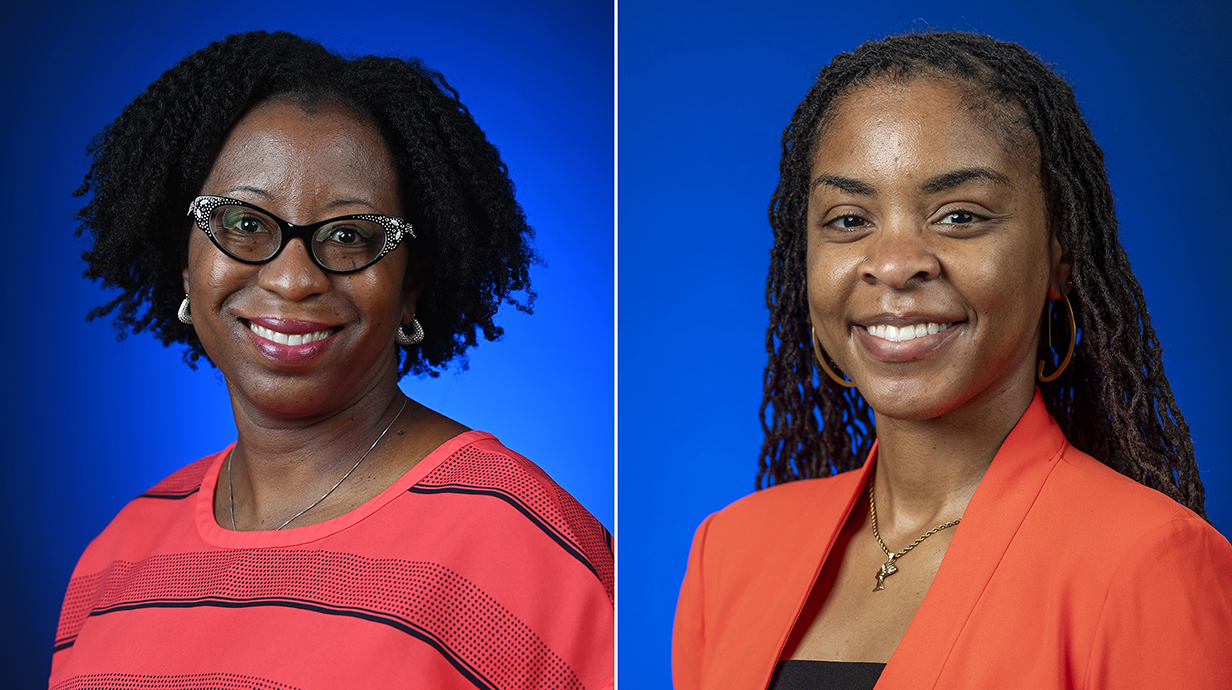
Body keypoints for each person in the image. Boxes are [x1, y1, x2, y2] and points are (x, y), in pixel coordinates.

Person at [51, 31, 613, 689]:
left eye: (349, 236)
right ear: (184, 261)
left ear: (410, 286)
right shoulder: (116, 555)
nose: (293, 279)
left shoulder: (526, 546)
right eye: (243, 223)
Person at [672, 31, 1232, 689]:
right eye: (850, 220)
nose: (895, 263)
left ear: (1061, 255)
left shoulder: (1148, 561)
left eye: (959, 215)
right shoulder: (731, 551)